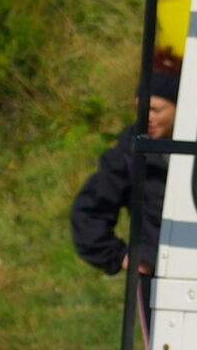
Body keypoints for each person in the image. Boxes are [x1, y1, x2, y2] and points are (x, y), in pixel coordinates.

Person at [71, 65, 176, 278]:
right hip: (158, 277)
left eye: (155, 110)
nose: (146, 117)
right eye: (141, 109)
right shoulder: (127, 156)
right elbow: (88, 213)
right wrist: (122, 256)